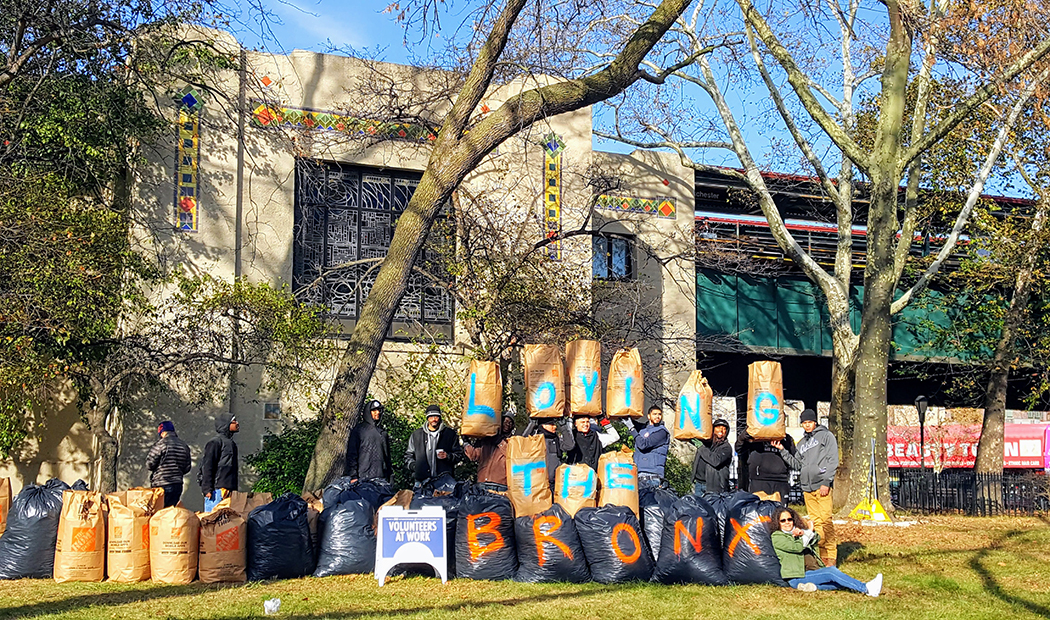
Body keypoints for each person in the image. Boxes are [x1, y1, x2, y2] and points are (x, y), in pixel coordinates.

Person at [774, 408, 840, 566]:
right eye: (804, 423)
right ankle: (820, 556)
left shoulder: (826, 436)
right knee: (816, 523)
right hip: (807, 487)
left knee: (825, 521)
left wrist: (826, 482)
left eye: (809, 422)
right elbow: (797, 464)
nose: (807, 425)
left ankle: (830, 557)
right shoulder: (802, 443)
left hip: (821, 485)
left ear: (815, 422)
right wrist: (783, 451)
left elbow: (832, 460)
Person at [771, 507, 882, 596]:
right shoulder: (777, 537)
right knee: (831, 572)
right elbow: (797, 547)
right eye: (783, 520)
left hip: (809, 573)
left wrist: (804, 533)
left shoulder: (798, 533)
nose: (787, 522)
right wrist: (809, 531)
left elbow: (817, 539)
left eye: (789, 519)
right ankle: (866, 588)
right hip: (796, 577)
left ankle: (812, 587)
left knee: (839, 582)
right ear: (778, 523)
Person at [405, 404, 462, 486]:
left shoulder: (449, 434)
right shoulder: (417, 435)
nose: (434, 419)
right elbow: (408, 455)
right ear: (427, 418)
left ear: (440, 417)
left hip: (445, 479)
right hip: (421, 479)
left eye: (436, 416)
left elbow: (459, 455)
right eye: (431, 417)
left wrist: (448, 456)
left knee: (446, 498)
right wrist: (414, 466)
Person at [464, 413, 516, 492]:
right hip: (482, 483)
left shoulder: (513, 441)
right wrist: (466, 443)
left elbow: (511, 455)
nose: (507, 424)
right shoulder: (487, 438)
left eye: (510, 422)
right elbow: (474, 455)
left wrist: (499, 441)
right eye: (504, 421)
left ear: (512, 427)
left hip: (500, 485)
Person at [345, 399, 393, 483]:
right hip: (362, 479)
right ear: (368, 412)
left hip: (381, 479)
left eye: (378, 410)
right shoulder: (358, 431)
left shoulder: (382, 433)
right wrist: (353, 476)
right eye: (374, 410)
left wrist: (390, 477)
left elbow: (387, 458)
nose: (377, 412)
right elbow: (352, 455)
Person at [145, 420, 192, 508]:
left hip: (161, 484)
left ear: (162, 433)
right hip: (177, 484)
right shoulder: (184, 446)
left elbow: (149, 464)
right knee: (170, 513)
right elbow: (187, 467)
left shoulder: (161, 444)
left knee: (160, 513)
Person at [199, 413, 239, 511]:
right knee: (212, 522)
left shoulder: (231, 444)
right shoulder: (215, 442)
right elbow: (207, 466)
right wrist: (207, 489)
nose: (237, 423)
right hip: (216, 492)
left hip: (229, 491)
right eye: (234, 421)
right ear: (226, 424)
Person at [740, 430, 794, 501]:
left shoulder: (786, 438)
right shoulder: (753, 437)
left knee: (780, 510)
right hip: (759, 480)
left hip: (780, 480)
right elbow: (739, 448)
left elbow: (793, 457)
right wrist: (744, 435)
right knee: (759, 509)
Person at [523, 416, 575, 486]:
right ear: (544, 426)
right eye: (551, 424)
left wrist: (563, 426)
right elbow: (522, 444)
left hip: (555, 483)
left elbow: (569, 446)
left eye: (554, 424)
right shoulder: (535, 439)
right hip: (538, 484)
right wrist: (532, 424)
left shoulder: (556, 439)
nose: (555, 427)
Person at [629, 406, 670, 489]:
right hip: (639, 475)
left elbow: (643, 445)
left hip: (652, 476)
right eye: (654, 414)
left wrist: (632, 429)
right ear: (648, 416)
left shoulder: (661, 432)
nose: (657, 416)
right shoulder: (643, 429)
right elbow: (631, 421)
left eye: (659, 414)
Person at [692, 418, 733, 494]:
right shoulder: (707, 444)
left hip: (714, 487)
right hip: (699, 484)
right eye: (718, 427)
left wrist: (701, 447)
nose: (721, 430)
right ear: (713, 429)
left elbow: (715, 461)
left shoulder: (726, 448)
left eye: (724, 429)